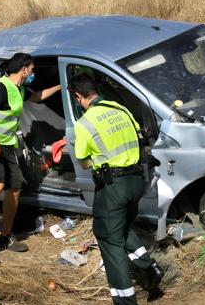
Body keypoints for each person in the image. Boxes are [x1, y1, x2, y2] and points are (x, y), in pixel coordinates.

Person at [69, 73, 164, 305]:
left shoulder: (84, 123)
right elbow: (140, 140)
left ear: (78, 96)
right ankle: (150, 268)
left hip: (113, 186)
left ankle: (125, 301)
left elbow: (83, 160)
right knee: (120, 228)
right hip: (135, 182)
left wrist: (99, 162)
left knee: (108, 238)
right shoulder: (121, 110)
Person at [0, 53, 61, 263]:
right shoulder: (2, 87)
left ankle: (5, 237)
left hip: (7, 143)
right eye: (32, 70)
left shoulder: (18, 89)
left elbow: (37, 97)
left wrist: (61, 84)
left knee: (15, 188)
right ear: (24, 69)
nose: (33, 73)